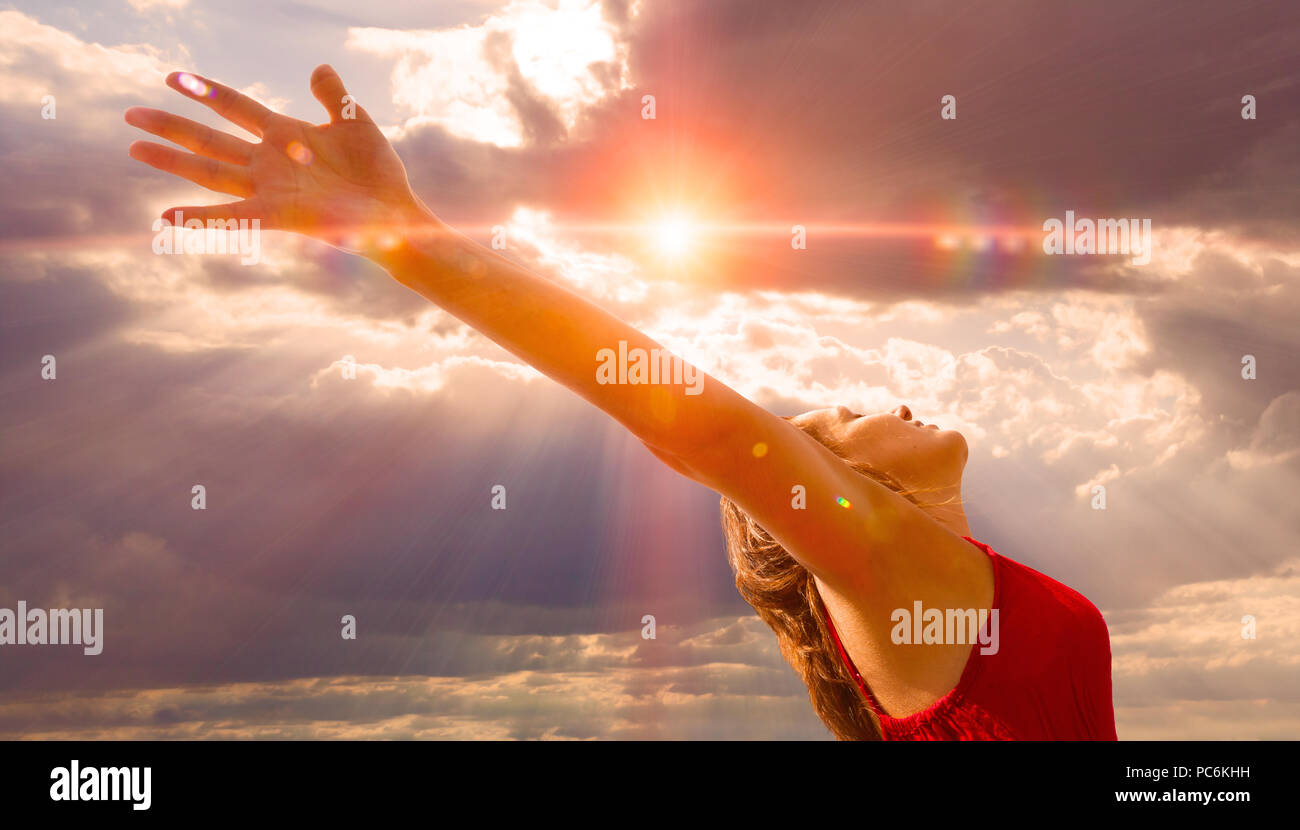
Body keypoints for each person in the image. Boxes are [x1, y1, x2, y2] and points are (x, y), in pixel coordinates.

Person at [125, 65, 1118, 740]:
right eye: (840, 420)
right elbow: (702, 427)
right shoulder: (900, 577)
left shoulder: (946, 591)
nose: (884, 398)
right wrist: (403, 236)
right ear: (840, 488)